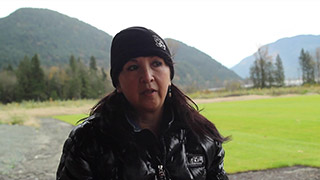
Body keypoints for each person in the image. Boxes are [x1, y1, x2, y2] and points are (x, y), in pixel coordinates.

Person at [56, 26, 229, 180]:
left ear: (170, 75)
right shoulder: (87, 142)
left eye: (156, 63)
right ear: (118, 84)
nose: (147, 77)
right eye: (133, 67)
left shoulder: (203, 136)